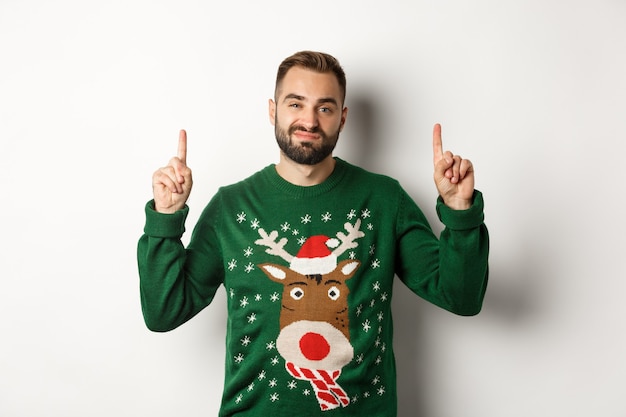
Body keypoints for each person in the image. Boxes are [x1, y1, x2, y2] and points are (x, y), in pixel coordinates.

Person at [138, 51, 489, 416]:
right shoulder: (231, 207)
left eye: (325, 108)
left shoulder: (386, 201)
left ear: (343, 117)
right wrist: (166, 218)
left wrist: (460, 213)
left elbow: (461, 297)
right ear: (273, 111)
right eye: (296, 104)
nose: (309, 120)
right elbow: (163, 313)